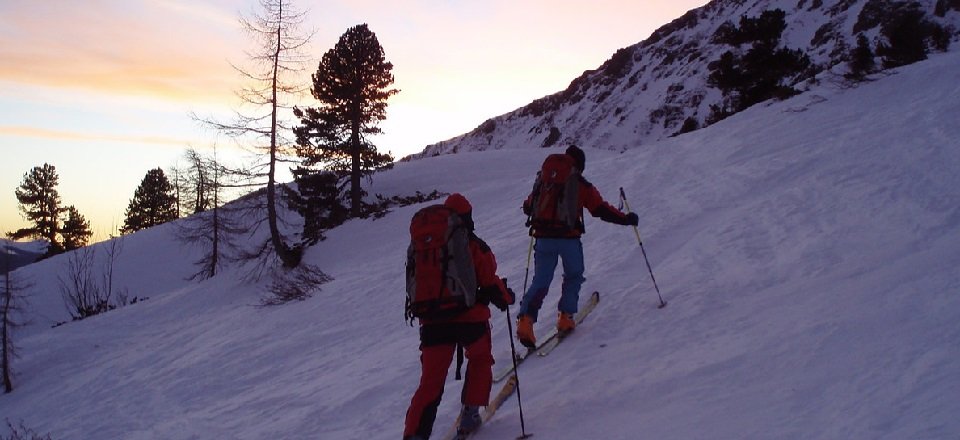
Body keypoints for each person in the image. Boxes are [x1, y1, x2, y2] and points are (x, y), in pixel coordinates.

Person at [403, 193, 515, 440]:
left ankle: (414, 435)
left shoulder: (423, 248)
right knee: (481, 359)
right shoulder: (471, 244)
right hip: (469, 320)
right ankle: (470, 414)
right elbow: (489, 280)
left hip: (432, 322)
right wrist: (506, 297)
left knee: (430, 383)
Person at [515, 145, 638, 347]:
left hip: (543, 237)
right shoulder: (580, 183)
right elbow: (600, 209)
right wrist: (626, 219)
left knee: (541, 281)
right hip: (568, 239)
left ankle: (526, 322)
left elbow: (528, 206)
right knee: (573, 275)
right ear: (579, 165)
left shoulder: (545, 178)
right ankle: (565, 317)